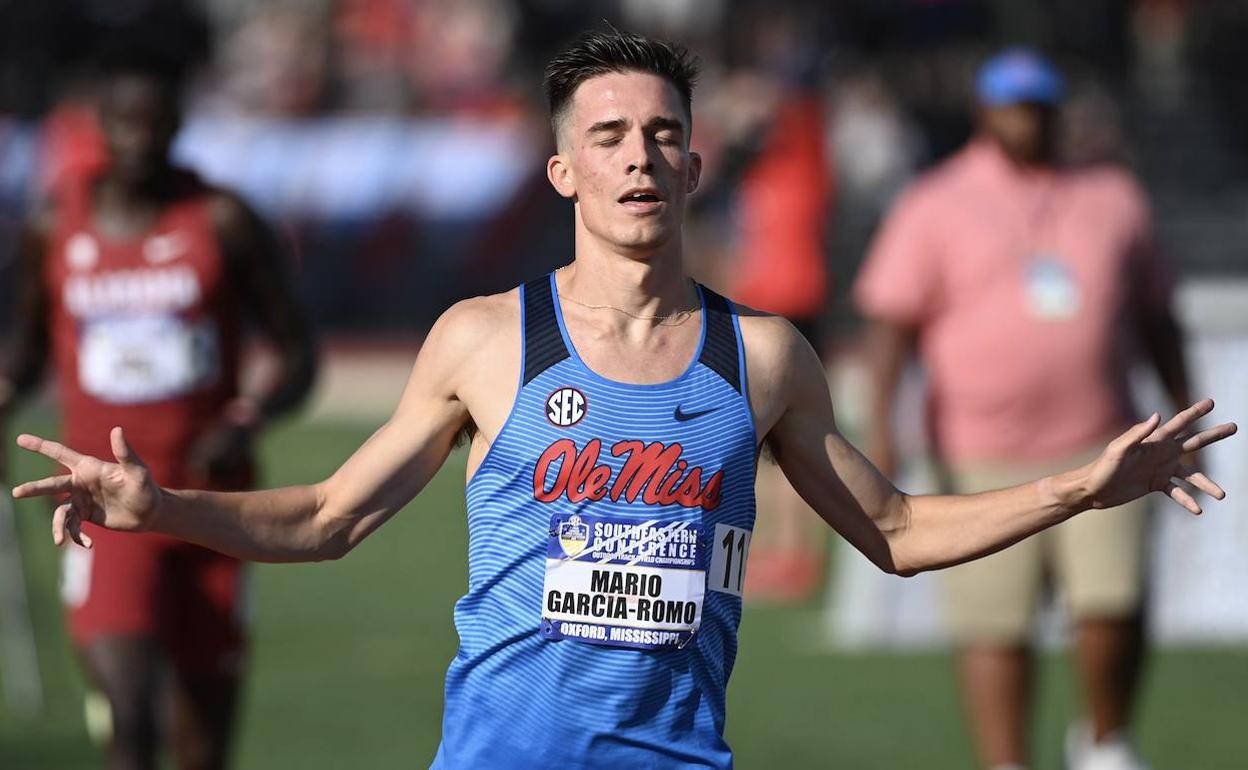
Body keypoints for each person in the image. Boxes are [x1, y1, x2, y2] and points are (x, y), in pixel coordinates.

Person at [10, 30, 1234, 770]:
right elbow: (330, 515)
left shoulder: (761, 359)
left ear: (695, 162)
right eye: (608, 134)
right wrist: (156, 501)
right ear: (563, 168)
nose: (638, 154)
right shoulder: (486, 339)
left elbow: (903, 533)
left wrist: (1086, 481)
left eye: (661, 133)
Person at [855, 49, 1195, 770]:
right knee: (994, 621)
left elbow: (1159, 316)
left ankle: (1106, 744)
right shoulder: (936, 200)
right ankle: (1005, 761)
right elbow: (891, 324)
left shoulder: (1111, 195)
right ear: (985, 111)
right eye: (1012, 105)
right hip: (979, 446)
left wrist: (1180, 412)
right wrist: (882, 425)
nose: (1026, 119)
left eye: (1038, 105)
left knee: (1113, 602)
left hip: (1106, 438)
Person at [0, 47, 317, 770]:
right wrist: (6, 387)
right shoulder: (57, 225)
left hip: (212, 503)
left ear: (177, 125)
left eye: (154, 123)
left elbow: (299, 353)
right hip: (105, 503)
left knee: (202, 744)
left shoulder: (223, 221)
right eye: (122, 123)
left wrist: (246, 415)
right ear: (97, 128)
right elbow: (24, 346)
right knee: (132, 716)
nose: (138, 139)